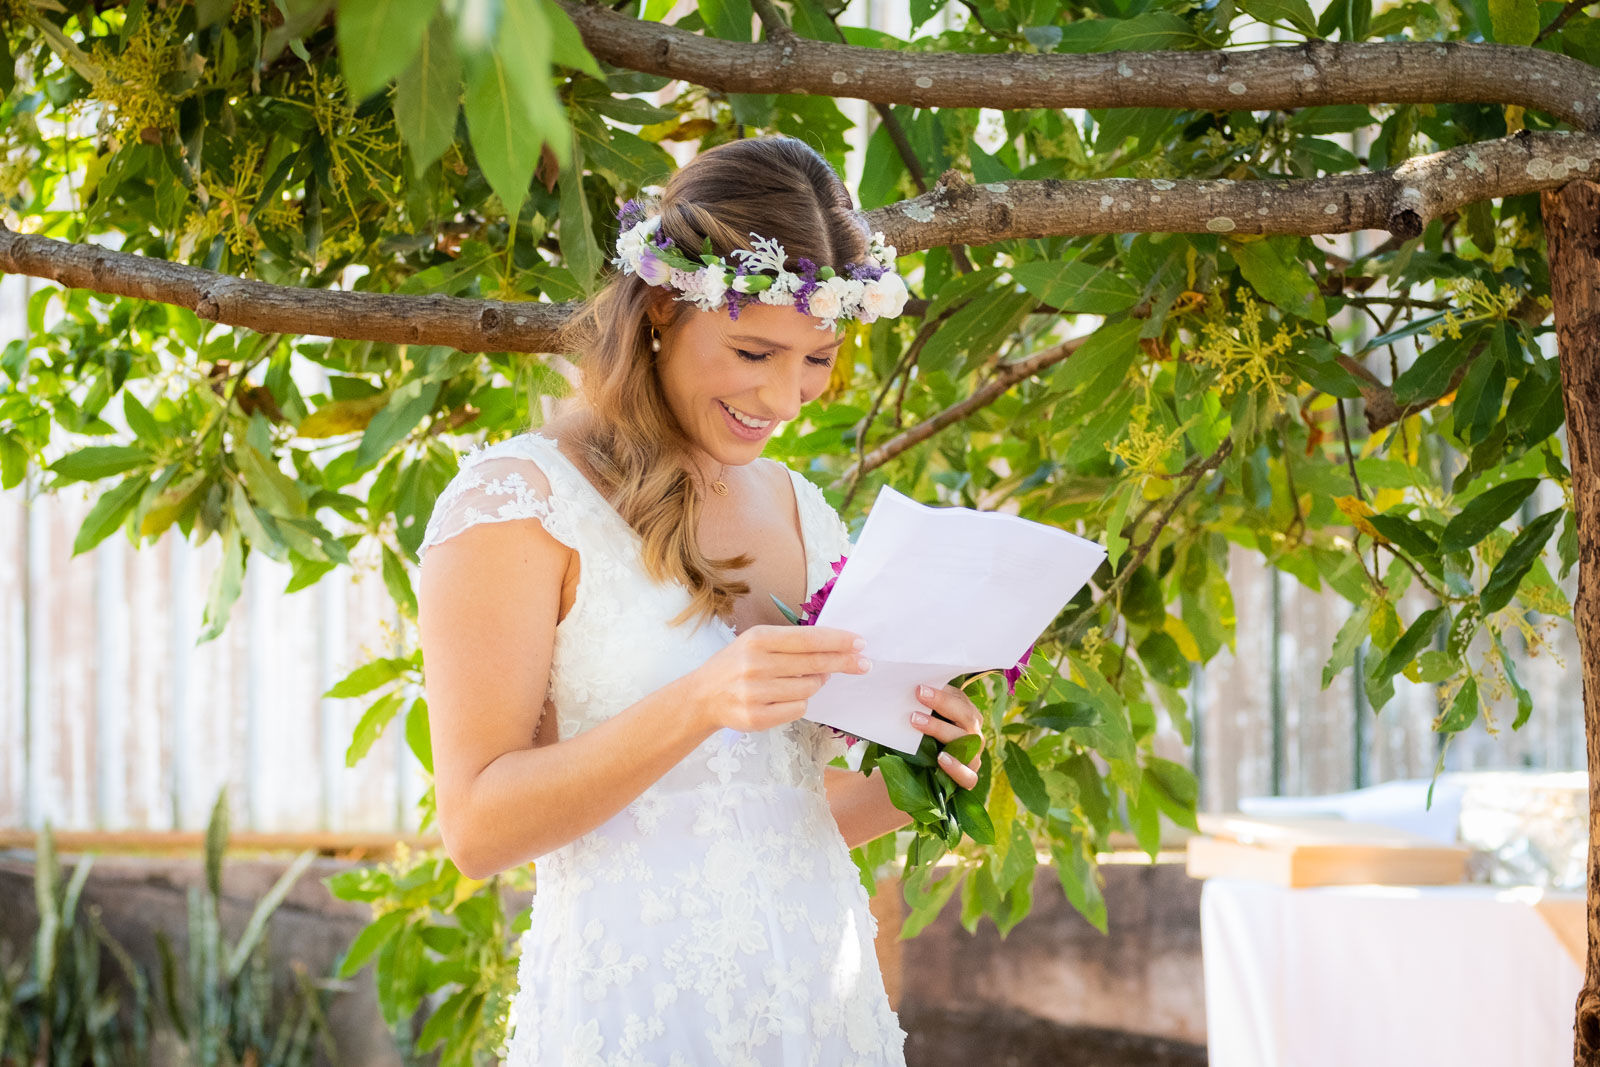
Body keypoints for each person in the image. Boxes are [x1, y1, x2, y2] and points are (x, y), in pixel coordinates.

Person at [416, 135, 985, 1065]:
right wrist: (702, 701)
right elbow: (478, 829)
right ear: (660, 309)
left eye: (818, 358)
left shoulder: (803, 510)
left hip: (818, 1010)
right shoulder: (516, 504)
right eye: (755, 350)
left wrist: (919, 771)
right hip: (632, 1016)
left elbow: (773, 812)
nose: (785, 397)